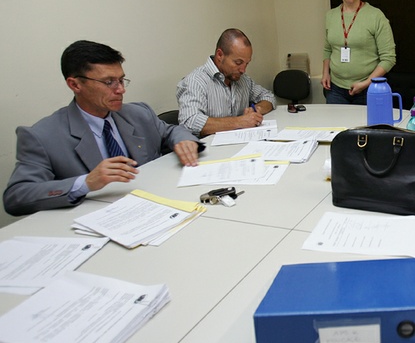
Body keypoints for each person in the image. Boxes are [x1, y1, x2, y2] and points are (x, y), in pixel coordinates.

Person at [4, 40, 202, 216]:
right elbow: (16, 197)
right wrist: (86, 182)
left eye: (121, 80)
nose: (121, 90)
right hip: (98, 221)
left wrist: (184, 140)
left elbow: (170, 130)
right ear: (75, 84)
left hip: (157, 208)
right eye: (109, 82)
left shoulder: (137, 113)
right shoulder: (42, 136)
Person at [321, 0, 396, 105]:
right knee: (338, 127)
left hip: (367, 90)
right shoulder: (330, 16)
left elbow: (389, 58)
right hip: (335, 90)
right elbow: (327, 49)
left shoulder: (376, 16)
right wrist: (325, 73)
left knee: (365, 127)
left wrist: (367, 83)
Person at [177, 28, 275, 137]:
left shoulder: (243, 80)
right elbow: (190, 122)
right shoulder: (195, 81)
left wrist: (256, 110)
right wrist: (240, 122)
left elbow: (268, 97)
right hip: (211, 151)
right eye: (238, 62)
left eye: (246, 64)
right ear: (220, 55)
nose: (243, 70)